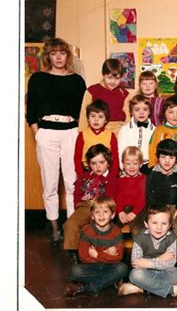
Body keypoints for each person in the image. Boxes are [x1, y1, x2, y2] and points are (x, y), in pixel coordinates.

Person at [26, 37, 86, 244]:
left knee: (72, 182)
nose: (58, 56)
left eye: (62, 52)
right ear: (48, 56)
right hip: (47, 133)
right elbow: (31, 111)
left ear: (67, 56)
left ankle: (71, 227)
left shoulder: (77, 80)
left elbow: (82, 112)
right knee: (50, 184)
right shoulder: (38, 79)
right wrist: (38, 135)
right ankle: (53, 227)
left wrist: (77, 133)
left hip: (71, 132)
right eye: (54, 53)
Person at [118, 206, 177, 297]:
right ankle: (172, 290)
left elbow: (170, 263)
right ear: (146, 224)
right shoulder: (140, 238)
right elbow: (136, 263)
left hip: (164, 272)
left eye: (164, 223)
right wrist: (160, 259)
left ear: (169, 226)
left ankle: (142, 288)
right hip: (145, 272)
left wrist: (148, 263)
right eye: (154, 223)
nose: (159, 227)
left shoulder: (171, 238)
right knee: (136, 274)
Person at [63, 144, 118, 265]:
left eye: (101, 162)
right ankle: (74, 254)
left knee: (94, 229)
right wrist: (78, 205)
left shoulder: (112, 178)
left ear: (108, 163)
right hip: (86, 206)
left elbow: (112, 199)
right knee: (70, 224)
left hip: (102, 207)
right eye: (93, 163)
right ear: (88, 164)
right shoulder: (85, 177)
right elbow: (77, 193)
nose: (98, 166)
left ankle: (97, 257)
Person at [64, 196, 128, 297]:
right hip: (91, 266)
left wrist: (97, 254)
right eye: (97, 212)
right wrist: (106, 255)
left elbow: (118, 257)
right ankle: (110, 280)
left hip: (109, 266)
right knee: (75, 271)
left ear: (112, 215)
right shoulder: (87, 231)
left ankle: (87, 287)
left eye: (105, 212)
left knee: (122, 268)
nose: (101, 215)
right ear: (92, 215)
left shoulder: (116, 232)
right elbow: (83, 257)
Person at [146, 139, 177, 262]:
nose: (167, 161)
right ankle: (158, 252)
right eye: (163, 157)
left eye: (171, 157)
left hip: (175, 207)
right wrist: (155, 211)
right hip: (157, 208)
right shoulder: (152, 173)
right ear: (157, 157)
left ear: (176, 158)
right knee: (157, 225)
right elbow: (149, 195)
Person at [148, 96, 177, 183]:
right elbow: (152, 150)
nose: (174, 116)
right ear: (164, 114)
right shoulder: (159, 130)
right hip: (161, 168)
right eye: (170, 112)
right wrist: (153, 168)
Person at [79, 58, 129, 134]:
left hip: (119, 131)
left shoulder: (124, 93)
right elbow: (84, 113)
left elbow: (127, 117)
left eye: (117, 78)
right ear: (103, 75)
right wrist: (81, 132)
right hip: (97, 131)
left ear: (121, 77)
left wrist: (128, 132)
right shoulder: (92, 91)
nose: (113, 81)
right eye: (109, 78)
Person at [74, 100, 119, 178]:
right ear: (88, 118)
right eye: (93, 116)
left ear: (106, 120)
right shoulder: (82, 135)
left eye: (100, 117)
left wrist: (113, 174)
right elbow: (77, 157)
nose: (96, 120)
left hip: (106, 172)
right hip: (87, 172)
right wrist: (81, 175)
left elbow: (115, 157)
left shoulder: (110, 135)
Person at [117, 94, 155, 174]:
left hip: (148, 166)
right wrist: (122, 168)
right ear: (131, 112)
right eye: (137, 110)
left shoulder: (154, 130)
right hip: (129, 166)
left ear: (150, 112)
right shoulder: (125, 130)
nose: (141, 113)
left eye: (145, 109)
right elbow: (120, 150)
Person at [114, 146, 146, 236]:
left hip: (139, 211)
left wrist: (134, 213)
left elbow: (142, 199)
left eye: (135, 163)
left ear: (140, 164)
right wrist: (120, 212)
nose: (131, 167)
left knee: (138, 231)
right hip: (123, 210)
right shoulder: (120, 180)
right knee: (112, 230)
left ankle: (139, 249)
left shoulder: (143, 179)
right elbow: (118, 197)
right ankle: (111, 249)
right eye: (128, 164)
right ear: (123, 164)